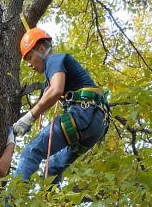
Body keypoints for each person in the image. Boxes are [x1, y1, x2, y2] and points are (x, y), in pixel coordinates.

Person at [12, 28, 110, 182]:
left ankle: (8, 204)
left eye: (30, 57)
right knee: (51, 170)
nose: (29, 64)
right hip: (96, 125)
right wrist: (20, 122)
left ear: (42, 49)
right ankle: (51, 204)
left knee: (31, 152)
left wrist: (30, 117)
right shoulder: (48, 80)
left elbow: (56, 91)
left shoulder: (54, 60)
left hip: (84, 113)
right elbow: (43, 102)